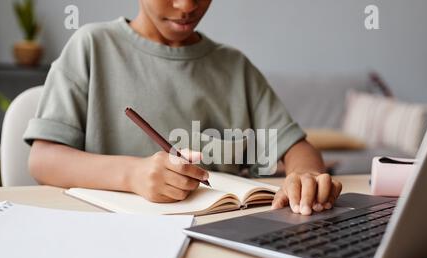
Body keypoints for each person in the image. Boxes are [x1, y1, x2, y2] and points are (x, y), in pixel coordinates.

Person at [24, 0, 342, 215]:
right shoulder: (92, 47)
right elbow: (43, 160)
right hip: (110, 237)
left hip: (221, 241)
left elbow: (297, 147)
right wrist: (131, 175)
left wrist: (305, 174)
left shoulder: (234, 68)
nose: (187, 6)